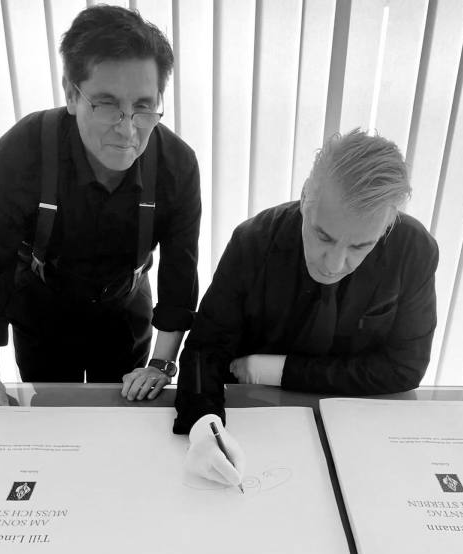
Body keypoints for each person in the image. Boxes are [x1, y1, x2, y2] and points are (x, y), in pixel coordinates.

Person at [174, 129, 439, 487]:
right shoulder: (253, 242)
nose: (334, 263)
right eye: (323, 236)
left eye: (360, 246)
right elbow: (205, 350)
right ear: (304, 199)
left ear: (387, 225)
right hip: (254, 416)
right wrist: (202, 423)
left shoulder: (414, 251)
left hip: (353, 421)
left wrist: (279, 370)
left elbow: (405, 367)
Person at [0, 5, 200, 410]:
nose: (127, 128)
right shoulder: (22, 152)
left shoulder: (177, 165)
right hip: (42, 310)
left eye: (143, 106)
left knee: (121, 417)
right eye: (107, 104)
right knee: (52, 419)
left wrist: (162, 363)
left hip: (125, 311)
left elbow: (180, 277)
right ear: (72, 94)